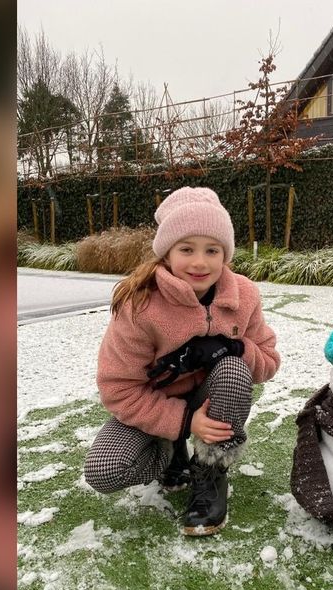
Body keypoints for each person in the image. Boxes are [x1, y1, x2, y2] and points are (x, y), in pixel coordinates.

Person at [83, 186, 281, 536]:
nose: (200, 262)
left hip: (213, 394)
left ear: (225, 254)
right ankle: (170, 451)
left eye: (212, 250)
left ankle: (210, 470)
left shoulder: (244, 295)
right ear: (167, 253)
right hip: (157, 402)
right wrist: (185, 422)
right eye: (186, 249)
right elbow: (117, 389)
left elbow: (268, 361)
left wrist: (229, 347)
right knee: (105, 470)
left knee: (234, 370)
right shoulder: (140, 304)